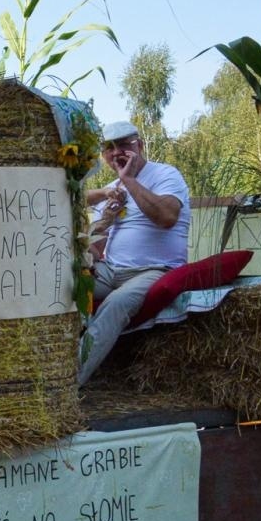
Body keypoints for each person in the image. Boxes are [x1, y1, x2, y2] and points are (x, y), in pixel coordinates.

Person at [76, 121, 191, 385]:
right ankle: (50, 363)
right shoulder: (110, 188)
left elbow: (167, 217)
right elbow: (96, 250)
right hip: (111, 269)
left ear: (139, 145)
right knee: (70, 284)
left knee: (117, 303)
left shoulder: (166, 175)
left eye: (124, 145)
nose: (116, 153)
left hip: (154, 270)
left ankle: (68, 383)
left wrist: (128, 180)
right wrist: (105, 218)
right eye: (109, 148)